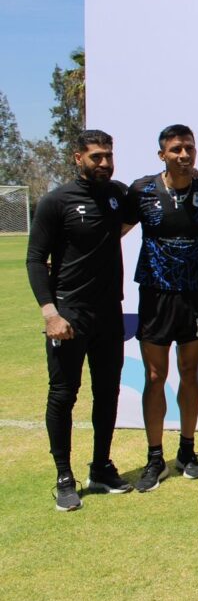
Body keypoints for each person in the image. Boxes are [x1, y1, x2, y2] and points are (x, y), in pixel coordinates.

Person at [27, 130, 133, 511]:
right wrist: (50, 313)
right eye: (96, 157)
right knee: (63, 394)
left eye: (108, 156)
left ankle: (101, 467)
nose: (104, 163)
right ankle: (64, 477)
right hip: (68, 316)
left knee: (108, 392)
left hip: (109, 313)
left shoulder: (118, 194)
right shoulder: (56, 202)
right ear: (78, 158)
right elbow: (35, 259)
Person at [122, 124, 198, 492]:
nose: (184, 155)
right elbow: (114, 230)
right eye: (176, 149)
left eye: (189, 149)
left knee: (190, 372)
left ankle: (187, 451)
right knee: (154, 376)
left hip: (195, 294)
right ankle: (154, 457)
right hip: (155, 295)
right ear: (162, 154)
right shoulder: (142, 190)